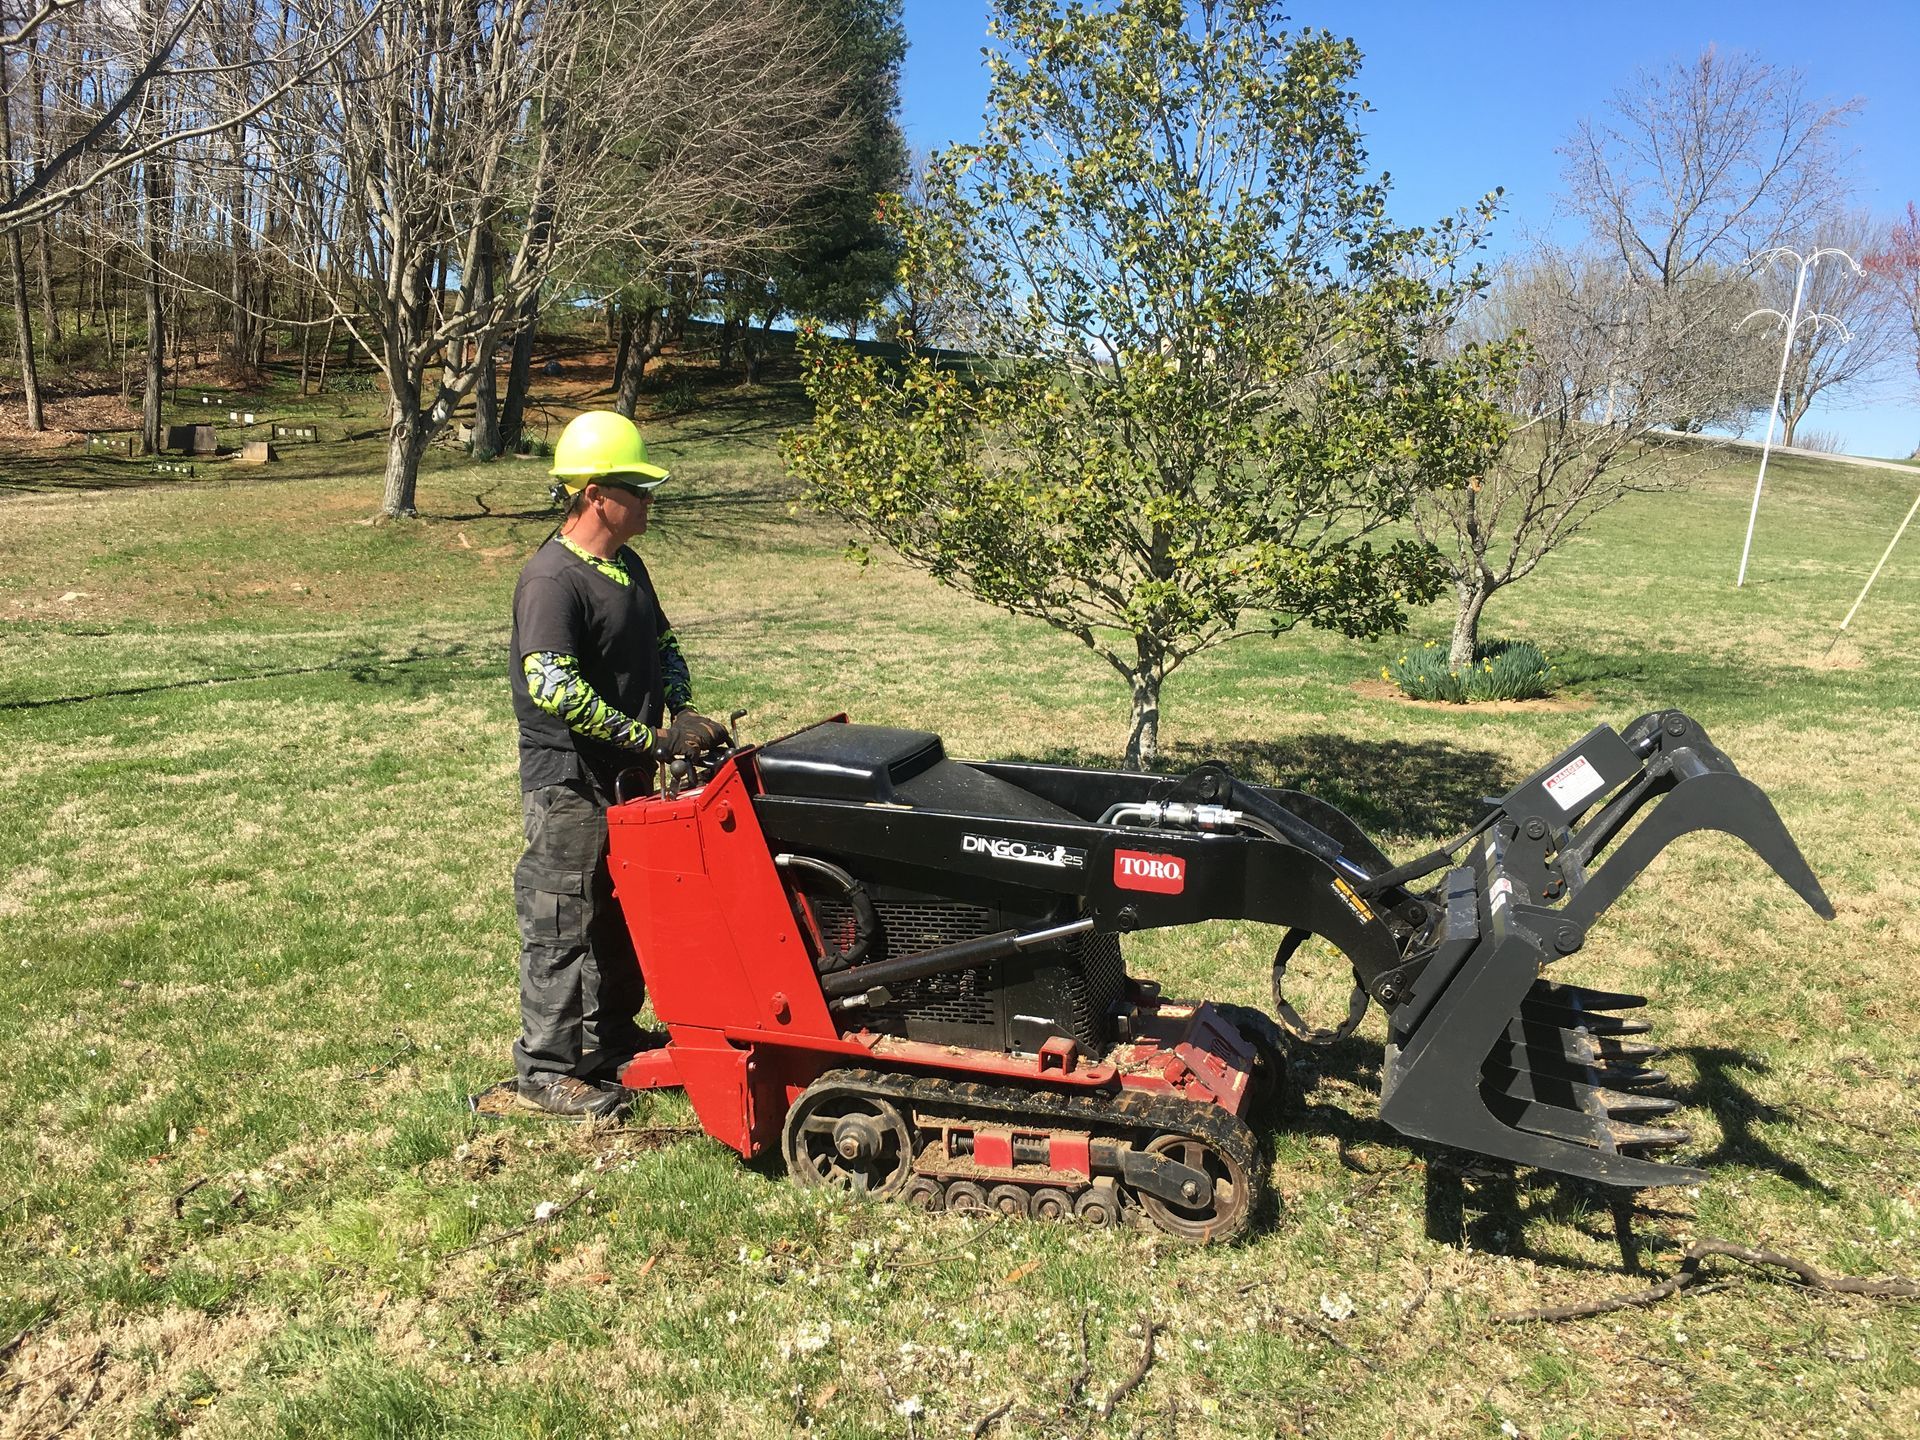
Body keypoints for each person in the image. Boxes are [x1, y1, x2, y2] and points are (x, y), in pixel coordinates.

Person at [508, 410, 729, 1118]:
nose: (649, 501)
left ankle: (607, 1038)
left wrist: (682, 710)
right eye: (638, 487)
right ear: (597, 492)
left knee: (621, 913)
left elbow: (664, 645)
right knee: (560, 920)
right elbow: (552, 685)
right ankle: (544, 1070)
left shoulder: (626, 566)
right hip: (570, 781)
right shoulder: (551, 579)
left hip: (627, 778)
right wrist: (648, 739)